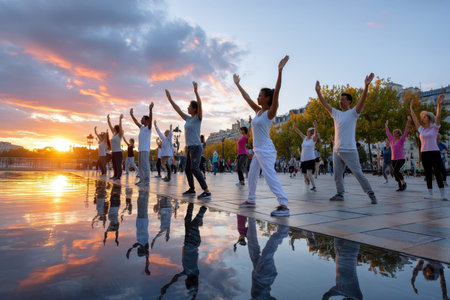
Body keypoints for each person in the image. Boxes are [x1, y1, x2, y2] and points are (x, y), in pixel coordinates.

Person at [233, 55, 290, 217]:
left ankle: (284, 204)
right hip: (258, 150)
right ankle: (251, 200)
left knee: (268, 175)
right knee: (251, 175)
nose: (257, 97)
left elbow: (277, 91)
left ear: (267, 98)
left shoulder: (270, 113)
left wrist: (279, 72)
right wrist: (238, 84)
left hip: (265, 150)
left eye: (260, 95)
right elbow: (247, 98)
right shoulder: (258, 112)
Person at [315, 73, 377, 204]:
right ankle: (340, 193)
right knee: (337, 175)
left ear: (349, 101)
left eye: (343, 99)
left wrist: (366, 86)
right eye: (340, 99)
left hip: (349, 150)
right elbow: (325, 104)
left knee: (358, 173)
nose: (340, 101)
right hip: (337, 150)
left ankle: (370, 193)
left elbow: (362, 101)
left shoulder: (353, 113)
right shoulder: (336, 113)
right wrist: (318, 92)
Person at [166, 82, 211, 200]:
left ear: (194, 108)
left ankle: (206, 190)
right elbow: (178, 110)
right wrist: (170, 100)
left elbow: (200, 105)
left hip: (196, 147)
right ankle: (192, 189)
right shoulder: (188, 118)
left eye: (189, 106)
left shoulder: (198, 117)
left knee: (195, 168)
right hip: (189, 147)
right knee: (187, 169)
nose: (187, 107)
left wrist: (196, 91)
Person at [158, 203, 207, 300]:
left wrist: (167, 286)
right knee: (193, 225)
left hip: (187, 242)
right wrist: (193, 297)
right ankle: (203, 209)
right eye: (187, 283)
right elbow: (196, 289)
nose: (185, 282)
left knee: (187, 221)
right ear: (191, 282)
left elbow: (175, 278)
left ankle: (191, 204)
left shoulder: (185, 272)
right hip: (193, 243)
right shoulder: (194, 272)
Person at [410, 93, 447, 200]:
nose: (422, 118)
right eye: (422, 117)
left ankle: (443, 193)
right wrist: (411, 108)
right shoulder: (421, 129)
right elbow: (414, 119)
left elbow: (438, 116)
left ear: (429, 118)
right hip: (424, 153)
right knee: (428, 173)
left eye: (424, 116)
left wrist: (439, 105)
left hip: (434, 152)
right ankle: (430, 193)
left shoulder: (435, 128)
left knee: (437, 172)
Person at [126, 187, 150, 275]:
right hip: (143, 220)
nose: (138, 249)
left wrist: (129, 252)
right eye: (139, 251)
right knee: (143, 203)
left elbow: (132, 247)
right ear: (142, 250)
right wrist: (146, 267)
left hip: (139, 221)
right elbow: (148, 258)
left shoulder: (139, 243)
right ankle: (145, 190)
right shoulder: (145, 244)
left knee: (139, 203)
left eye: (138, 251)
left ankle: (142, 191)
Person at [130, 103, 153, 186]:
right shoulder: (142, 128)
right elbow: (136, 122)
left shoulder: (148, 128)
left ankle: (146, 181)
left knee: (145, 165)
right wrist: (132, 114)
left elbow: (150, 120)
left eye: (142, 119)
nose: (141, 120)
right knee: (140, 166)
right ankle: (142, 180)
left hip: (145, 150)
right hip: (140, 149)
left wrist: (150, 110)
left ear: (146, 120)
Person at [293, 120, 319, 191]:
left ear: (311, 133)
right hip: (303, 159)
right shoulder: (304, 138)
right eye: (307, 131)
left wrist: (315, 126)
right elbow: (299, 132)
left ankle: (313, 186)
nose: (307, 132)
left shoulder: (313, 139)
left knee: (309, 174)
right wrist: (295, 127)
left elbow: (316, 134)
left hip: (310, 158)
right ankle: (306, 179)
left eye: (309, 131)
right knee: (303, 173)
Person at [385, 117, 411, 191]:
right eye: (393, 132)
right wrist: (386, 125)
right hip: (393, 158)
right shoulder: (392, 140)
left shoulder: (401, 139)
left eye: (395, 132)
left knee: (396, 170)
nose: (393, 133)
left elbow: (406, 130)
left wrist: (408, 121)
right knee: (395, 173)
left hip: (401, 158)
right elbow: (388, 133)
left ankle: (403, 183)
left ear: (398, 133)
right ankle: (400, 187)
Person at [107, 114, 125, 181]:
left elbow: (120, 127)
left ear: (116, 129)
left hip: (118, 152)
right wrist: (108, 120)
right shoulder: (114, 134)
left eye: (114, 128)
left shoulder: (119, 135)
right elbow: (110, 126)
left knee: (118, 165)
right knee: (114, 165)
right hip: (113, 152)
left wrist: (120, 119)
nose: (113, 129)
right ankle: (115, 175)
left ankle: (118, 176)